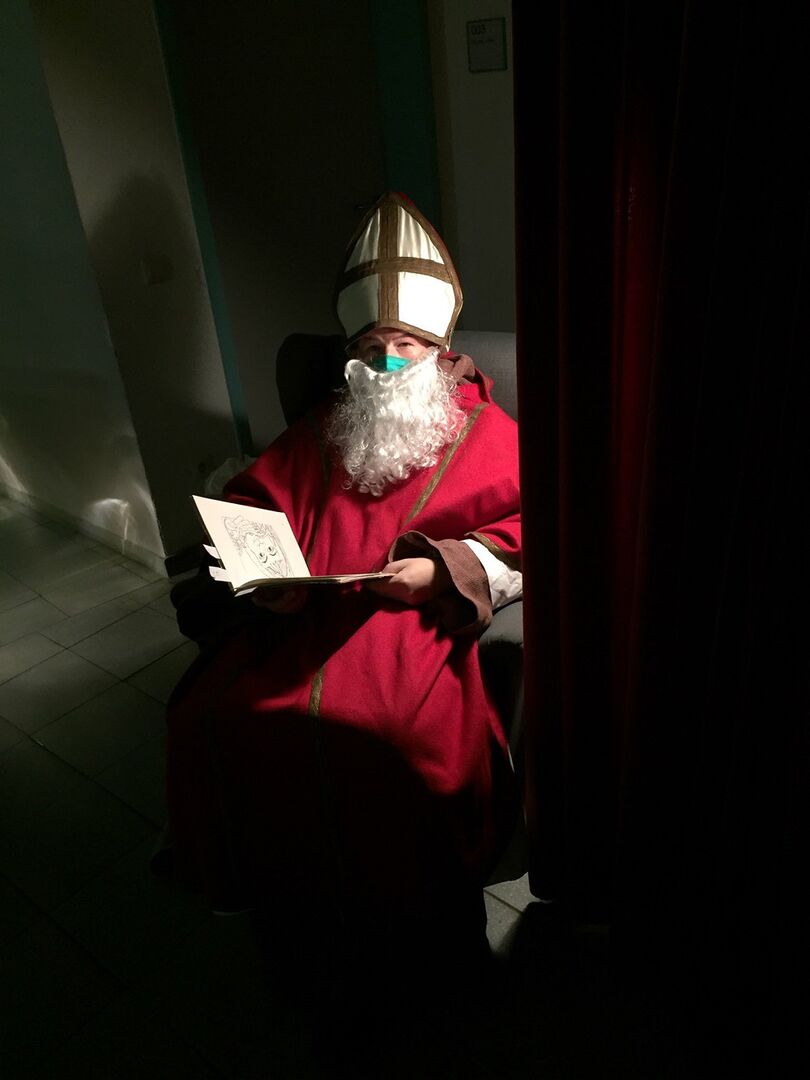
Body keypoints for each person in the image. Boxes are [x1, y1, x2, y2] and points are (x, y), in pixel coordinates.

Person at [166, 193, 522, 955]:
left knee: (388, 738)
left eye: (405, 344)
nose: (386, 362)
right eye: (369, 344)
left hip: (407, 624)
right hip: (301, 615)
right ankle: (276, 889)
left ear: (439, 348)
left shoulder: (489, 431)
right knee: (208, 715)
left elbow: (537, 528)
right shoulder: (328, 423)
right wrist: (265, 568)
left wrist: (443, 571)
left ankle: (410, 917)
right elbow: (255, 496)